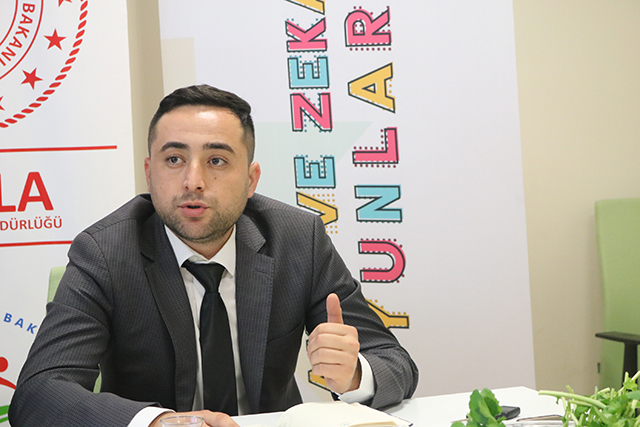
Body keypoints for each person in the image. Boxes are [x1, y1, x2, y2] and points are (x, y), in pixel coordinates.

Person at [8, 85, 419, 427]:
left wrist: (354, 374)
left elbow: (394, 362)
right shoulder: (105, 252)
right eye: (174, 160)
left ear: (251, 179)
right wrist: (159, 423)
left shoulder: (298, 239)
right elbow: (39, 392)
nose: (193, 181)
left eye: (217, 160)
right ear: (149, 173)